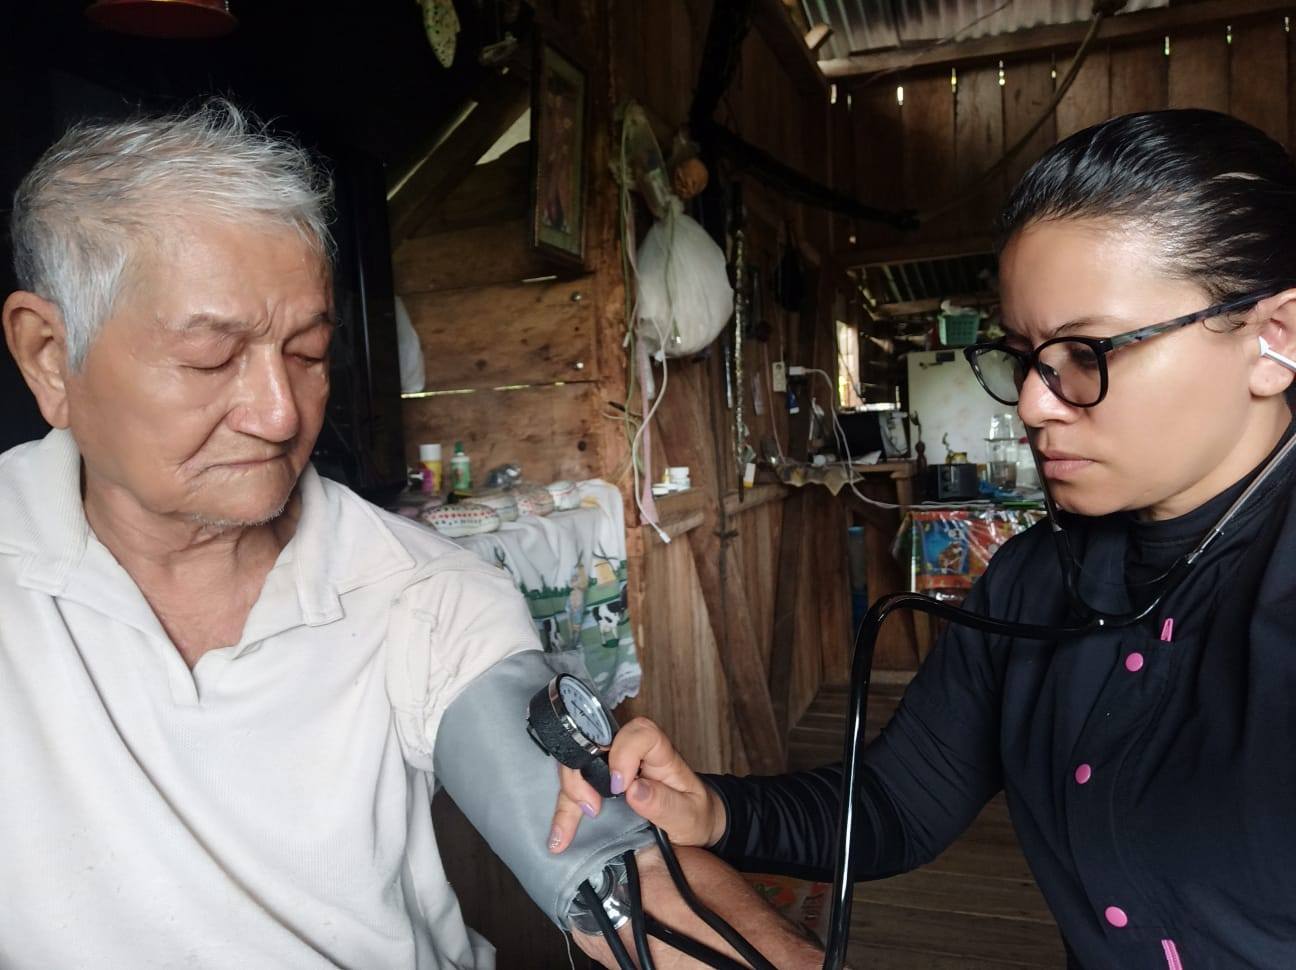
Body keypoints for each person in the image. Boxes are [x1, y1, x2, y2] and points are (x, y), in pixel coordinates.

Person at [0, 100, 821, 970]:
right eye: (212, 359)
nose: (281, 415)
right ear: (49, 354)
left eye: (308, 354)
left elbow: (618, 877)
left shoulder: (422, 594)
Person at [552, 108, 1296, 969]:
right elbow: (898, 803)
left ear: (1272, 340)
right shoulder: (1032, 580)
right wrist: (714, 811)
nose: (1033, 402)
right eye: (1023, 355)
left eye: (1087, 353)